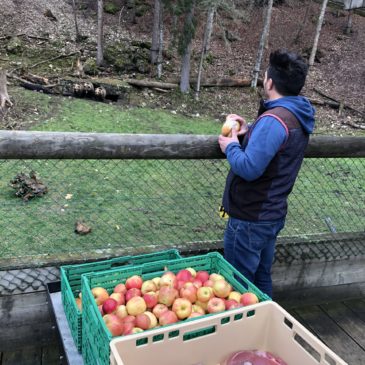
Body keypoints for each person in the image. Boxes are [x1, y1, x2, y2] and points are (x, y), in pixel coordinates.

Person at [218, 49, 315, 297]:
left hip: (251, 218)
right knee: (261, 276)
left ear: (269, 82)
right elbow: (275, 151)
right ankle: (266, 326)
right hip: (270, 214)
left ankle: (246, 331)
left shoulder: (274, 120)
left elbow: (250, 168)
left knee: (240, 284)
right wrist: (250, 131)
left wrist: (230, 146)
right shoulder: (295, 114)